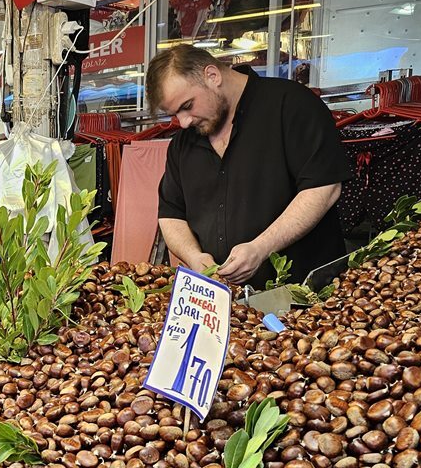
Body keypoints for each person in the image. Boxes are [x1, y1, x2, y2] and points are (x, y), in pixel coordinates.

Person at [149, 45, 351, 289]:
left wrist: (260, 247)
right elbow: (171, 215)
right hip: (228, 306)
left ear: (212, 76)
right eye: (174, 114)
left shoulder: (291, 105)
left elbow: (324, 188)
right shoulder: (183, 144)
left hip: (308, 301)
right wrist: (194, 256)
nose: (183, 122)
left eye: (187, 105)